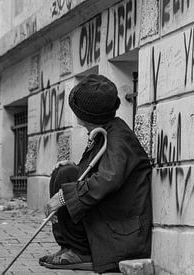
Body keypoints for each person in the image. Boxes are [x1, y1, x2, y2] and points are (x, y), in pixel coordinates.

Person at [39, 74, 152, 273]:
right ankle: (70, 246)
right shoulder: (104, 131)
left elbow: (108, 179)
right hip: (111, 217)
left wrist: (64, 198)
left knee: (66, 181)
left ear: (87, 113)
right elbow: (98, 172)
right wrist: (75, 169)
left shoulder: (119, 136)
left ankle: (82, 251)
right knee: (64, 172)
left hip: (122, 232)